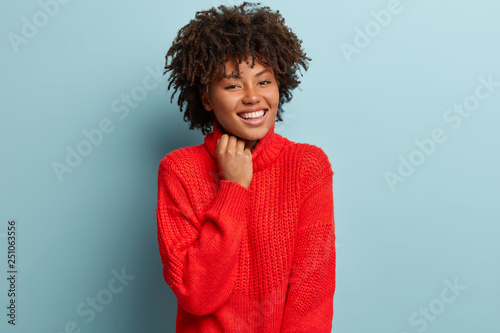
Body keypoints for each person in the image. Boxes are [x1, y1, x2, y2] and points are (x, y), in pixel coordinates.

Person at [156, 2, 335, 332]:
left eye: (264, 81)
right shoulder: (179, 170)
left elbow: (311, 296)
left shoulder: (308, 166)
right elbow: (197, 296)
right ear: (207, 98)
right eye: (233, 85)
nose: (253, 97)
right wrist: (233, 189)